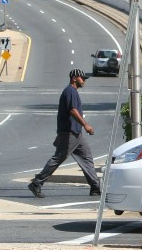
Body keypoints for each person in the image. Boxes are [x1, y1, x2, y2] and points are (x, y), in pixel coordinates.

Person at [28, 68, 101, 198]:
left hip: (76, 134)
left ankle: (95, 188)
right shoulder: (70, 91)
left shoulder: (73, 92)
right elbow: (73, 110)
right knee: (58, 158)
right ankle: (37, 183)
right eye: (82, 78)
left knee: (87, 158)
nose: (84, 81)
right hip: (69, 133)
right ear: (74, 78)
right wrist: (86, 125)